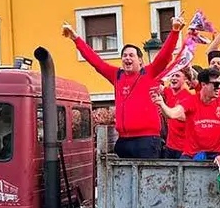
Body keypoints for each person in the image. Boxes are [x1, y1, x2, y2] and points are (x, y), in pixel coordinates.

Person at [63, 17, 181, 158]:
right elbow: (95, 61)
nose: (127, 58)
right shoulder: (117, 75)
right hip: (124, 140)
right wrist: (76, 39)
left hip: (147, 140)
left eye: (131, 55)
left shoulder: (149, 73)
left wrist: (174, 31)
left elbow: (164, 56)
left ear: (140, 60)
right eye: (124, 56)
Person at [151, 69, 220, 166]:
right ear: (204, 85)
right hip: (192, 154)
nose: (219, 88)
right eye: (216, 84)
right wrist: (162, 104)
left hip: (217, 153)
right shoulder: (191, 100)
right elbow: (172, 114)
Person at [161, 71, 192, 159]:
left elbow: (188, 118)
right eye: (172, 75)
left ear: (185, 79)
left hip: (184, 149)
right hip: (169, 146)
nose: (174, 78)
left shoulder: (188, 97)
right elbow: (156, 85)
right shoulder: (169, 92)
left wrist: (167, 111)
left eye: (177, 76)